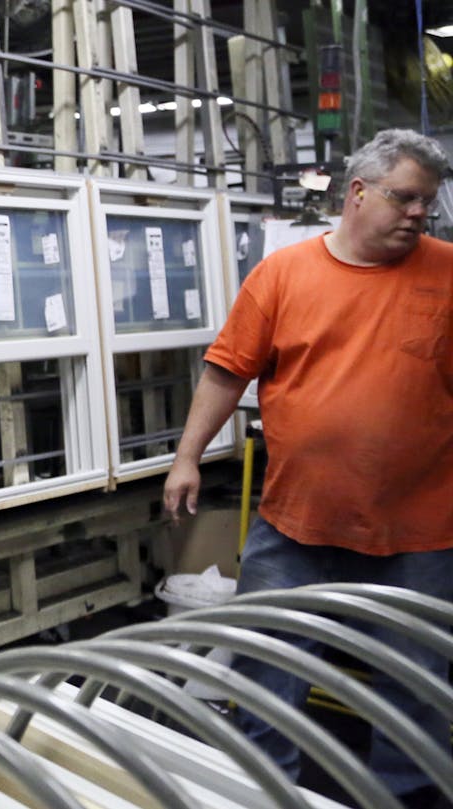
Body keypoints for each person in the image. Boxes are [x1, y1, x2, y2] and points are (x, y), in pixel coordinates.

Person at [163, 128, 452, 806]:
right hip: (297, 523)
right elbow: (226, 369)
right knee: (271, 668)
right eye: (405, 198)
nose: (419, 214)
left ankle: (404, 798)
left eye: (427, 204)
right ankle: (268, 790)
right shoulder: (284, 274)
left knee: (415, 681)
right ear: (357, 193)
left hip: (421, 527)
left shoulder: (448, 272)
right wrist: (186, 458)